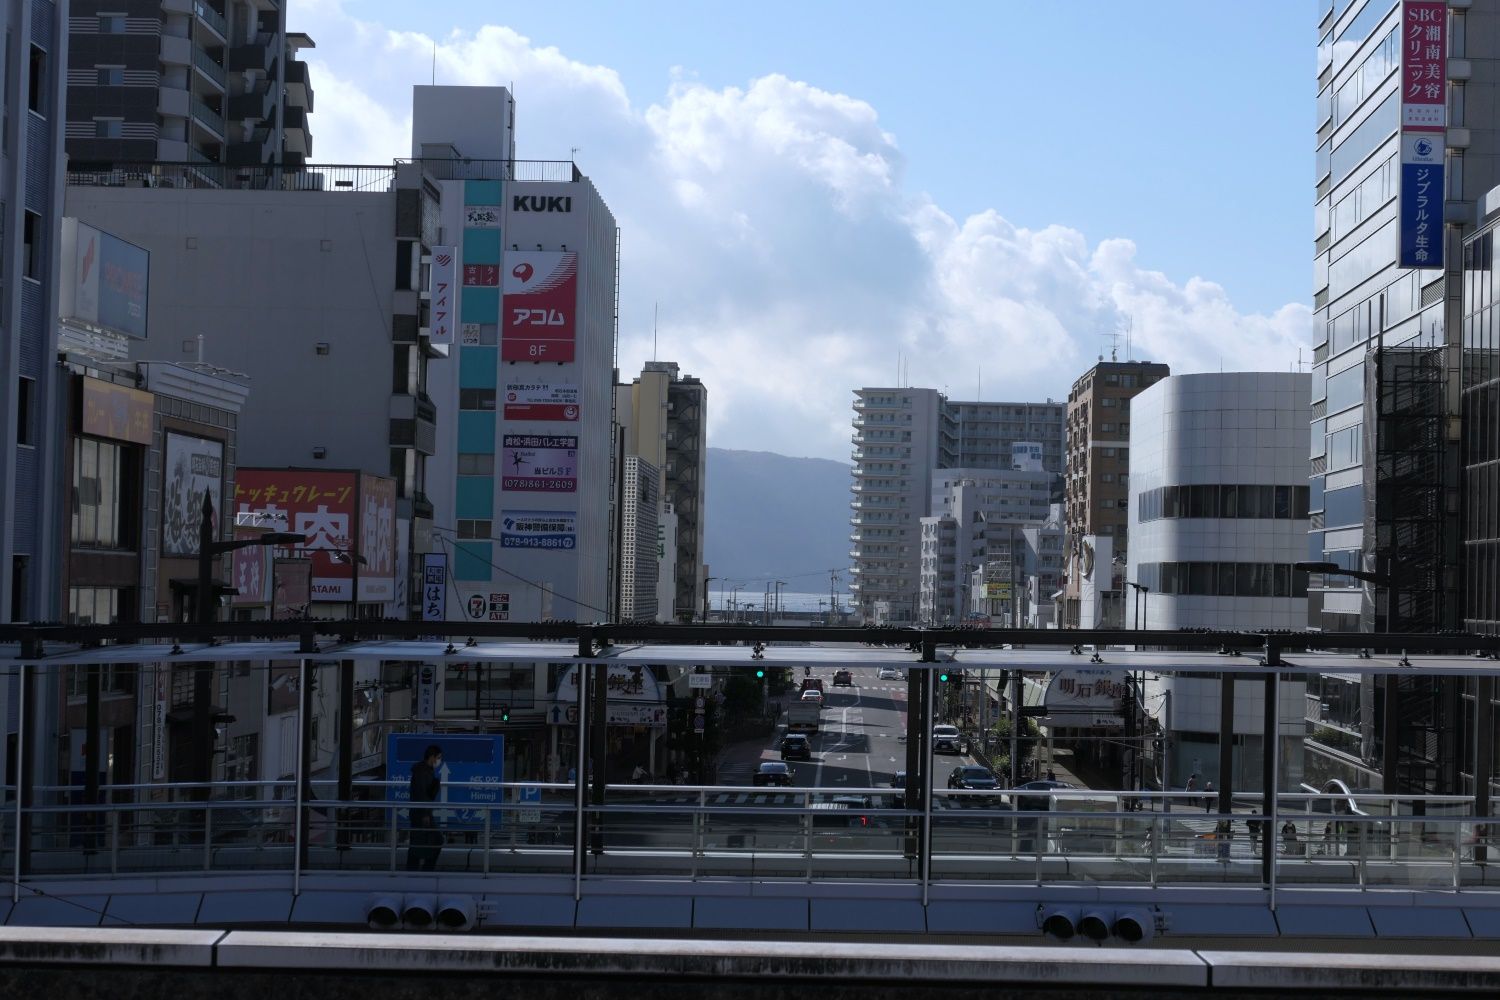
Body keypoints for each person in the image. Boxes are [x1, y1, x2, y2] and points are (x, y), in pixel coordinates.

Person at [406, 744, 443, 872]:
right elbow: (422, 793)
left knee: (418, 842)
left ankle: (414, 870)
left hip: (420, 812)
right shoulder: (423, 772)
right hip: (422, 813)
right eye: (438, 757)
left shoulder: (424, 770)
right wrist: (425, 814)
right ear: (432, 757)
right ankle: (425, 870)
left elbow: (425, 793)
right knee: (435, 840)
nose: (439, 761)